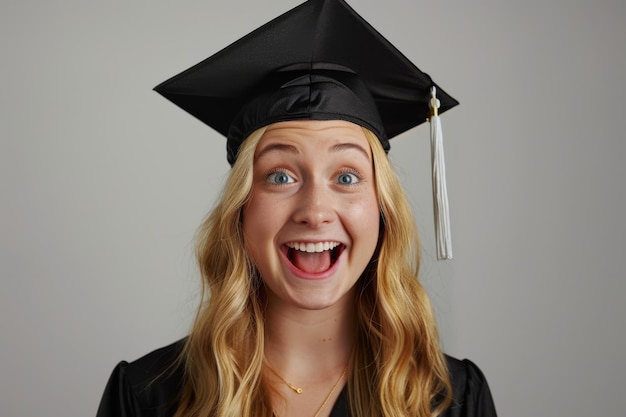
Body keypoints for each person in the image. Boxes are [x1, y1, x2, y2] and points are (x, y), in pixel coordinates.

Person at [96, 0, 497, 416]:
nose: (315, 210)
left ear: (382, 209)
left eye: (346, 177)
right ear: (241, 209)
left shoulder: (451, 400)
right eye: (281, 176)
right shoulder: (148, 397)